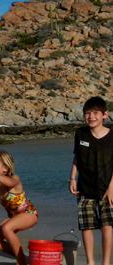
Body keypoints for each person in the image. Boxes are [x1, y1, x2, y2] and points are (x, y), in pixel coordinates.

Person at [69, 96, 113, 265]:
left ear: (105, 114)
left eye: (95, 113)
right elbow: (76, 158)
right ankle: (90, 262)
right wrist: (72, 178)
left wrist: (111, 188)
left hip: (106, 188)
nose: (91, 116)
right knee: (86, 226)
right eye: (87, 113)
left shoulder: (112, 135)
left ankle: (106, 262)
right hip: (84, 187)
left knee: (106, 226)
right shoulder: (81, 133)